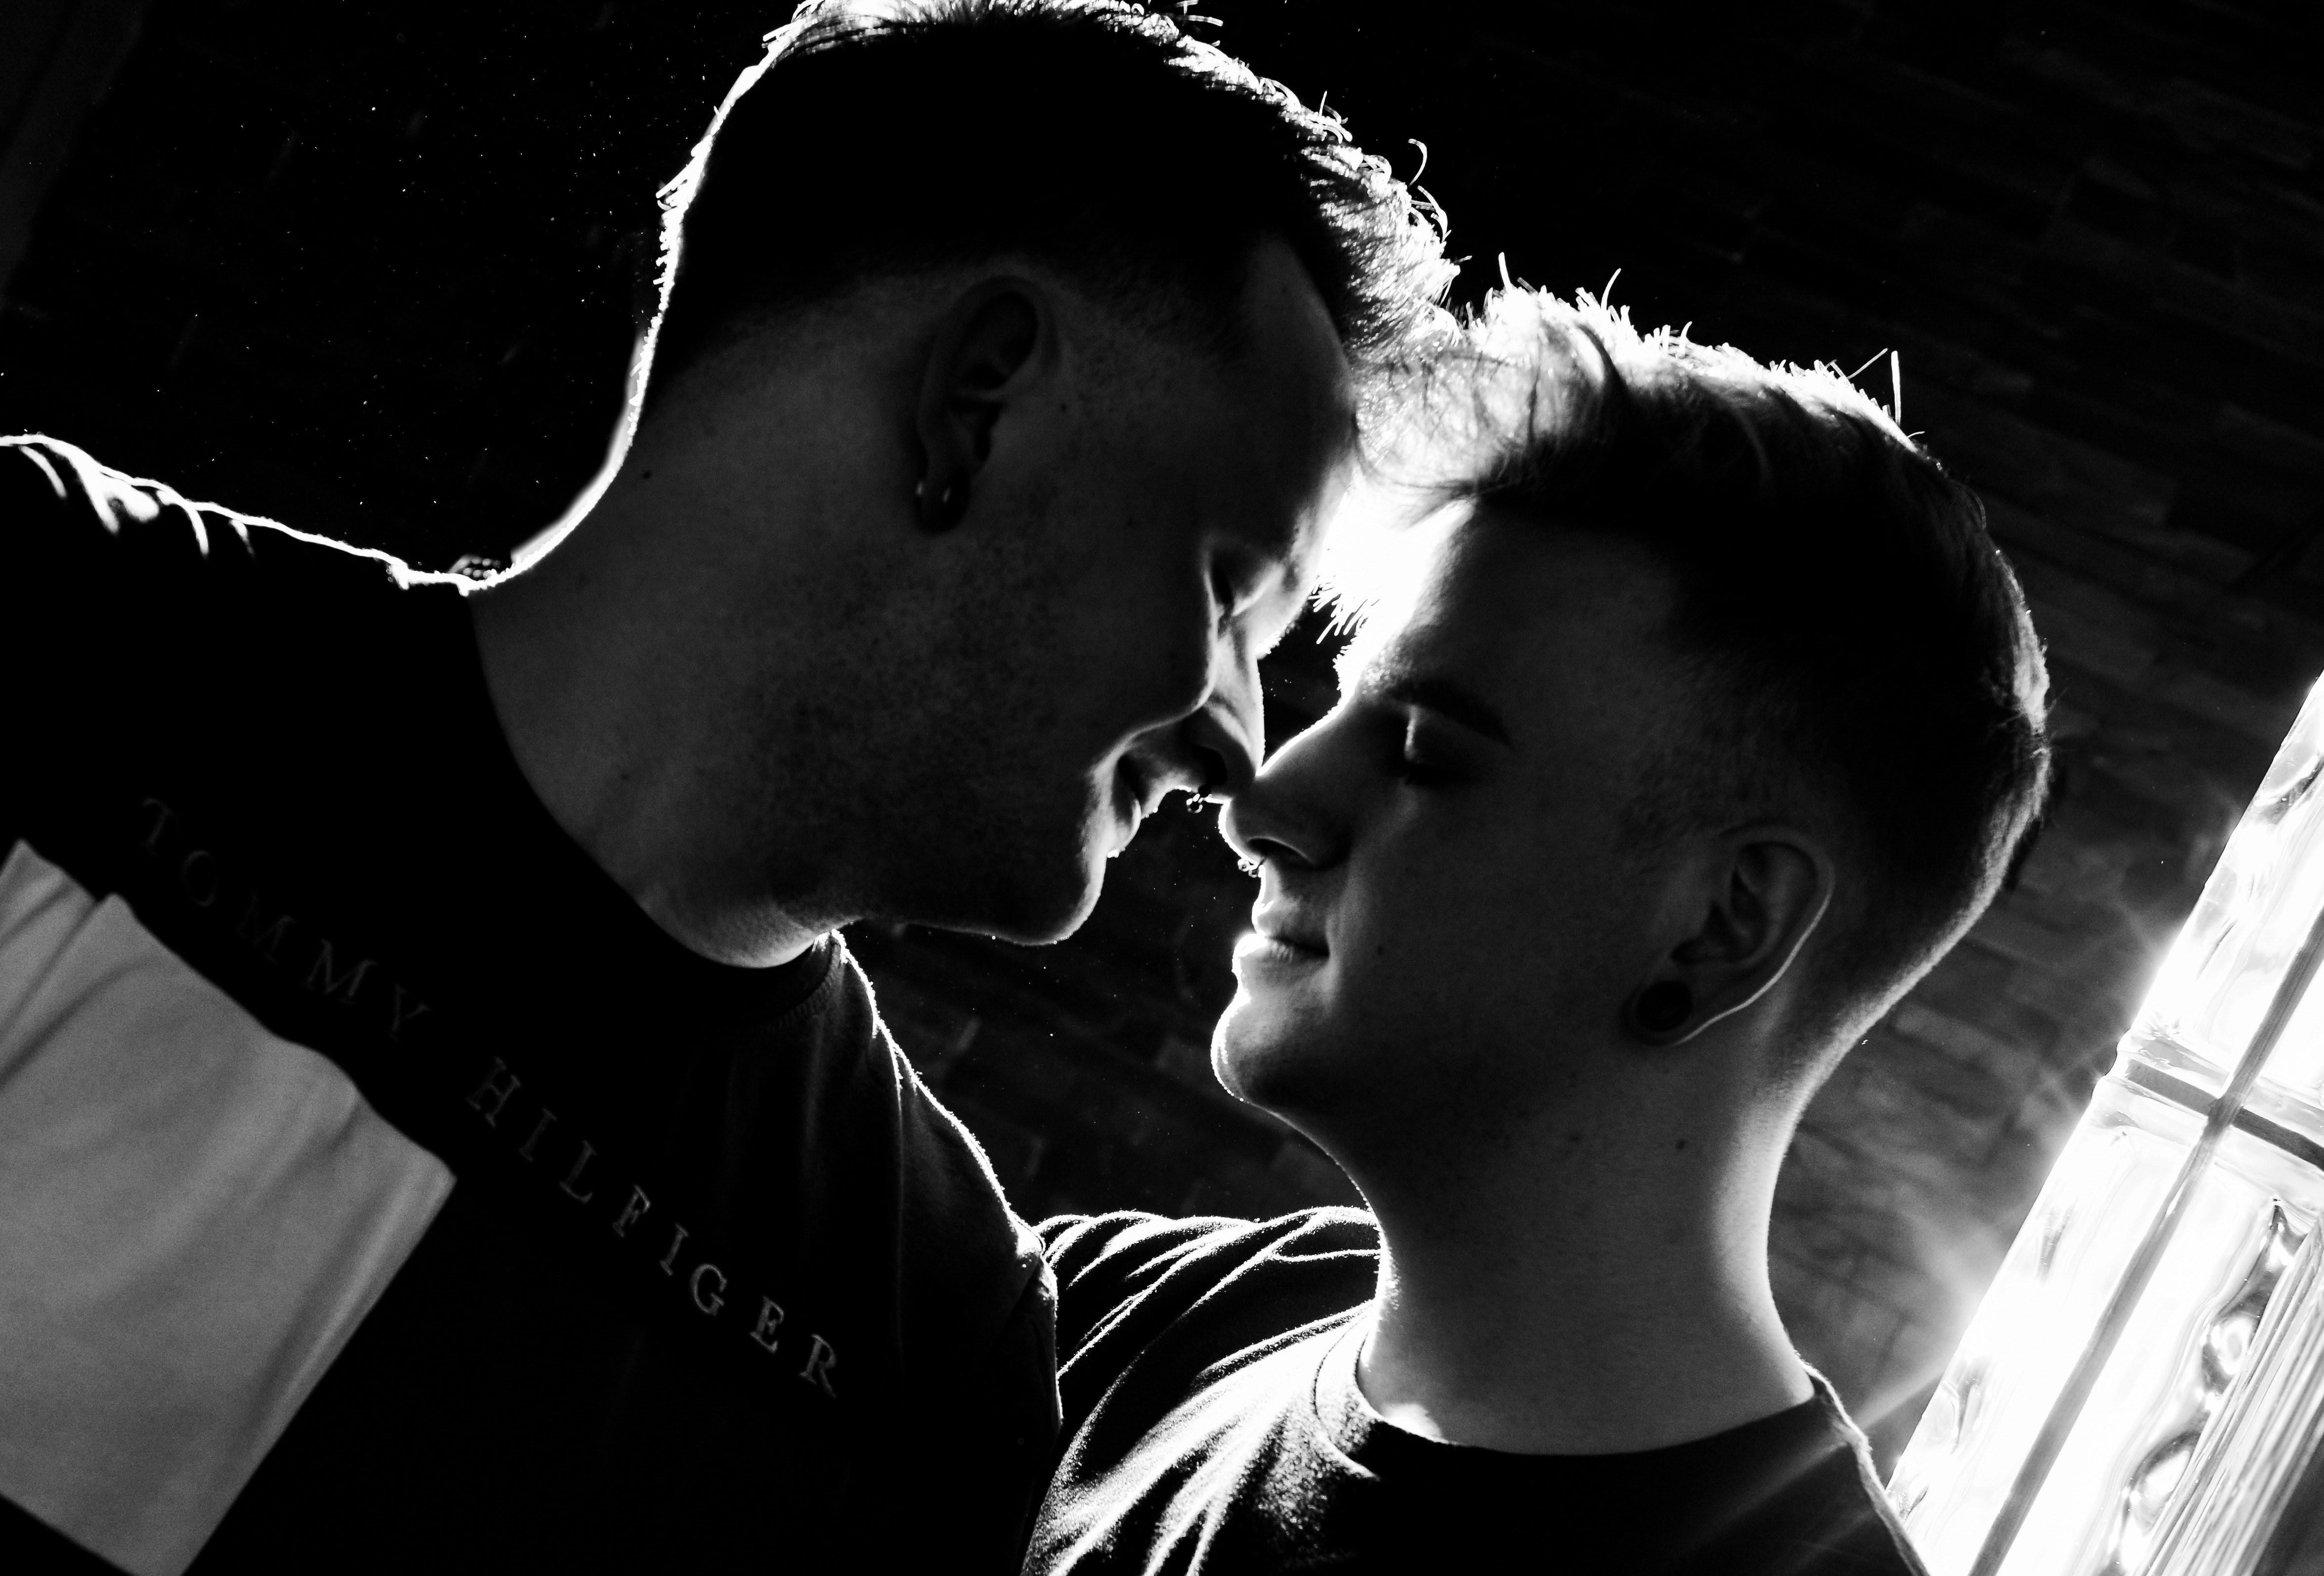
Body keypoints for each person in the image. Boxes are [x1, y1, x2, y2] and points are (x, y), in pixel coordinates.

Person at [0, 3, 1449, 1572]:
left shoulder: (926, 1333)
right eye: (1231, 590)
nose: (1240, 743)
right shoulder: (45, 637)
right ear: (978, 399)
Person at [1025, 290, 2052, 1574]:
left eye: (1424, 751)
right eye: (1340, 707)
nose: (1262, 802)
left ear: (1722, 925)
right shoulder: (1116, 1323)